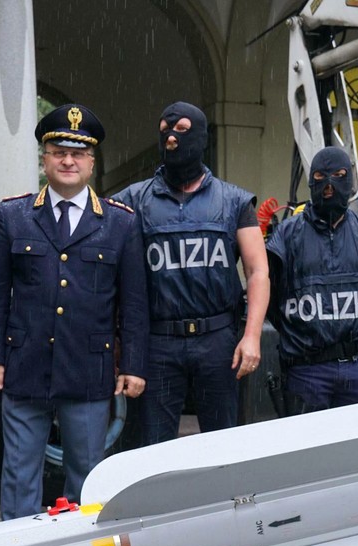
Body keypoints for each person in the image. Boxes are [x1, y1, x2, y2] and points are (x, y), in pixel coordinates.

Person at [0, 103, 148, 519]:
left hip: (88, 367)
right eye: (58, 152)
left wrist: (134, 365)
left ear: (91, 163)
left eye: (78, 154)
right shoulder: (12, 216)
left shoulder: (121, 223)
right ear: (45, 159)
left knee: (86, 477)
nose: (68, 161)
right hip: (24, 365)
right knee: (18, 475)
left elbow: (134, 302)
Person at [114, 102, 268, 444]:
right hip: (158, 343)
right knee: (153, 449)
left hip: (218, 341)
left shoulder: (234, 201)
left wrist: (252, 335)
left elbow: (257, 270)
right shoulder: (131, 201)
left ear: (200, 136)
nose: (171, 138)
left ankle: (221, 500)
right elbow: (108, 269)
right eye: (165, 129)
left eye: (182, 129)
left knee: (222, 446)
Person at [265, 146, 358, 413]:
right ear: (311, 181)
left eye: (339, 175)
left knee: (357, 450)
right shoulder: (287, 235)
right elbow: (271, 297)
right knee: (307, 452)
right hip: (306, 371)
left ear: (350, 180)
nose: (330, 185)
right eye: (321, 177)